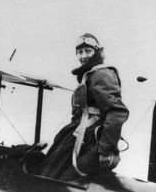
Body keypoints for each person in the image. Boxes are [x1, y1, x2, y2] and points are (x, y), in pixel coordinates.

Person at [41, 33, 129, 180]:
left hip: (91, 141)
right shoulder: (90, 75)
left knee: (55, 178)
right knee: (50, 169)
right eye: (80, 52)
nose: (83, 56)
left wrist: (105, 150)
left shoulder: (102, 75)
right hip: (81, 136)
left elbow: (117, 112)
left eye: (88, 51)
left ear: (97, 52)